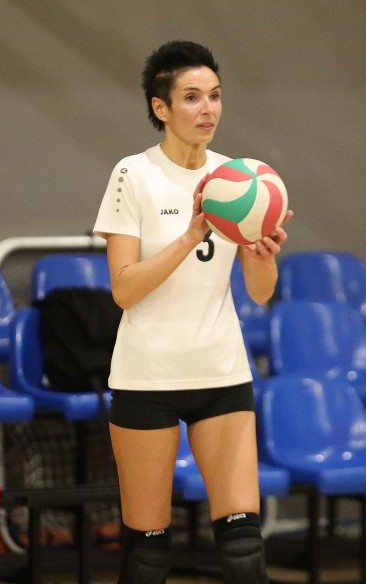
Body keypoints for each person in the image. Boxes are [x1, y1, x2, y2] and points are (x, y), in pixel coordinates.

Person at [92, 40, 291, 584]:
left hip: (221, 372)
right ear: (161, 107)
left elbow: (260, 293)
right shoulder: (134, 174)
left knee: (245, 549)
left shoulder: (239, 178)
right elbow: (124, 290)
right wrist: (189, 235)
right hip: (147, 377)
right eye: (192, 97)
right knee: (148, 556)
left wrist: (262, 255)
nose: (208, 109)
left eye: (215, 95)